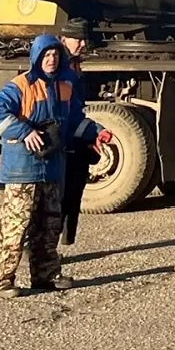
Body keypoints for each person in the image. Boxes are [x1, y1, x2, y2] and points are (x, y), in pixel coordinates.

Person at [0, 33, 107, 297]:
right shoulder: (19, 87)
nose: (51, 60)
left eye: (55, 55)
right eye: (46, 55)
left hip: (51, 168)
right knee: (15, 226)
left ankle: (45, 276)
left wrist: (96, 132)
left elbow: (74, 120)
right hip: (22, 169)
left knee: (49, 225)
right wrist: (24, 131)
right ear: (36, 58)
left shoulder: (65, 86)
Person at [58, 16, 97, 247]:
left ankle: (63, 240)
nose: (82, 44)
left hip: (75, 137)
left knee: (73, 191)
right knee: (59, 196)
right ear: (63, 38)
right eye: (77, 39)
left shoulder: (73, 64)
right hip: (64, 139)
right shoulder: (58, 67)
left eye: (84, 40)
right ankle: (42, 250)